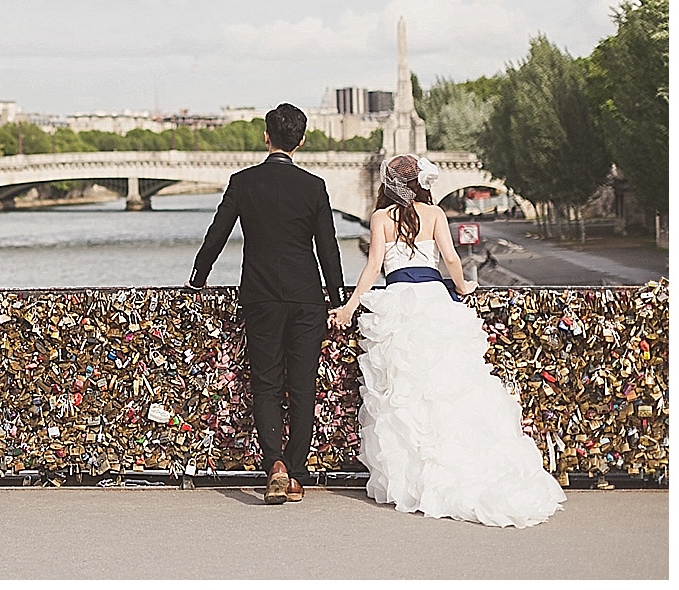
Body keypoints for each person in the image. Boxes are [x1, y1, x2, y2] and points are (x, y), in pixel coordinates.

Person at [329, 153, 566, 527]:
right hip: (436, 302)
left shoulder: (380, 219)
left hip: (399, 305)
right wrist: (463, 285)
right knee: (452, 383)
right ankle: (464, 463)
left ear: (390, 185)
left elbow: (372, 268)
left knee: (406, 392)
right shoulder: (435, 214)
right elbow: (452, 260)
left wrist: (348, 308)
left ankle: (415, 478)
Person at [187, 103, 346, 504]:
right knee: (303, 385)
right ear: (302, 140)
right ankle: (295, 474)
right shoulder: (314, 187)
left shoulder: (243, 182)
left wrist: (198, 278)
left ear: (266, 137)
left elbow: (217, 234)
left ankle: (272, 461)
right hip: (307, 296)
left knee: (267, 383)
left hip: (260, 295)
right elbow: (327, 247)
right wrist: (338, 296)